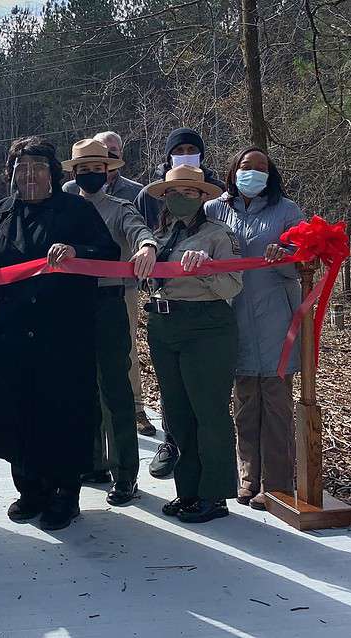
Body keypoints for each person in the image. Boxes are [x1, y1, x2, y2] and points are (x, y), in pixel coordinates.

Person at [0, 137, 119, 529]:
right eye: (22, 168)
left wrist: (76, 252)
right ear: (11, 174)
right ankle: (29, 489)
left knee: (62, 411)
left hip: (62, 334)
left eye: (38, 167)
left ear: (53, 173)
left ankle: (65, 494)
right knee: (16, 412)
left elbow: (108, 254)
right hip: (9, 336)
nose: (29, 174)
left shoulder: (77, 211)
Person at [143, 164, 243, 524]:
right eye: (173, 192)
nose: (180, 198)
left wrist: (208, 268)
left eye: (189, 192)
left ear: (203, 197)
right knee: (177, 412)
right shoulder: (160, 235)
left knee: (208, 412)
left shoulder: (219, 236)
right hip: (164, 324)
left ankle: (214, 495)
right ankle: (188, 491)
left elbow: (233, 286)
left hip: (206, 327)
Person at [205, 147, 303, 511]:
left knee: (276, 405)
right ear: (234, 171)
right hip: (231, 317)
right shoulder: (214, 209)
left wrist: (285, 256)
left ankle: (277, 484)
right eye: (247, 167)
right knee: (244, 404)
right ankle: (248, 479)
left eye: (262, 168)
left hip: (277, 318)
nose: (254, 173)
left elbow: (303, 267)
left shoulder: (288, 211)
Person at [62, 139, 157, 504]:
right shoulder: (65, 209)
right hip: (72, 306)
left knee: (115, 390)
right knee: (82, 388)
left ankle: (125, 474)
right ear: (74, 173)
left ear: (108, 170)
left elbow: (140, 231)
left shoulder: (120, 209)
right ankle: (93, 462)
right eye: (82, 169)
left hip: (108, 305)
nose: (89, 174)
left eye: (96, 168)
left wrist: (147, 247)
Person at [134, 127, 226, 479]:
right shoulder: (149, 197)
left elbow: (229, 269)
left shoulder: (216, 207)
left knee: (204, 397)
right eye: (179, 149)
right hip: (164, 309)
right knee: (171, 391)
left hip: (205, 313)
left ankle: (210, 476)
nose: (186, 153)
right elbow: (145, 235)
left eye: (192, 149)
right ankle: (173, 445)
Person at [62, 131, 143, 202]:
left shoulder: (136, 190)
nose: (107, 154)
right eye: (102, 149)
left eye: (112, 149)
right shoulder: (70, 189)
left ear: (121, 154)